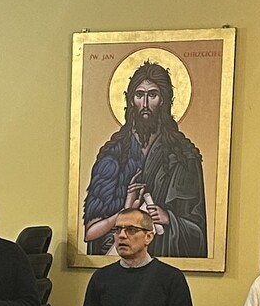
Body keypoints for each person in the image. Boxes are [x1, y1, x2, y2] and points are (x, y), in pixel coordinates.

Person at [80, 61, 209, 257]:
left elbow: (197, 230)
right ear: (131, 100)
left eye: (153, 95)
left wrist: (169, 218)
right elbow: (92, 231)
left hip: (164, 260)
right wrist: (127, 211)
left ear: (164, 100)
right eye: (139, 95)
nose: (145, 104)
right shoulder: (112, 155)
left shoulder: (184, 157)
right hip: (117, 261)